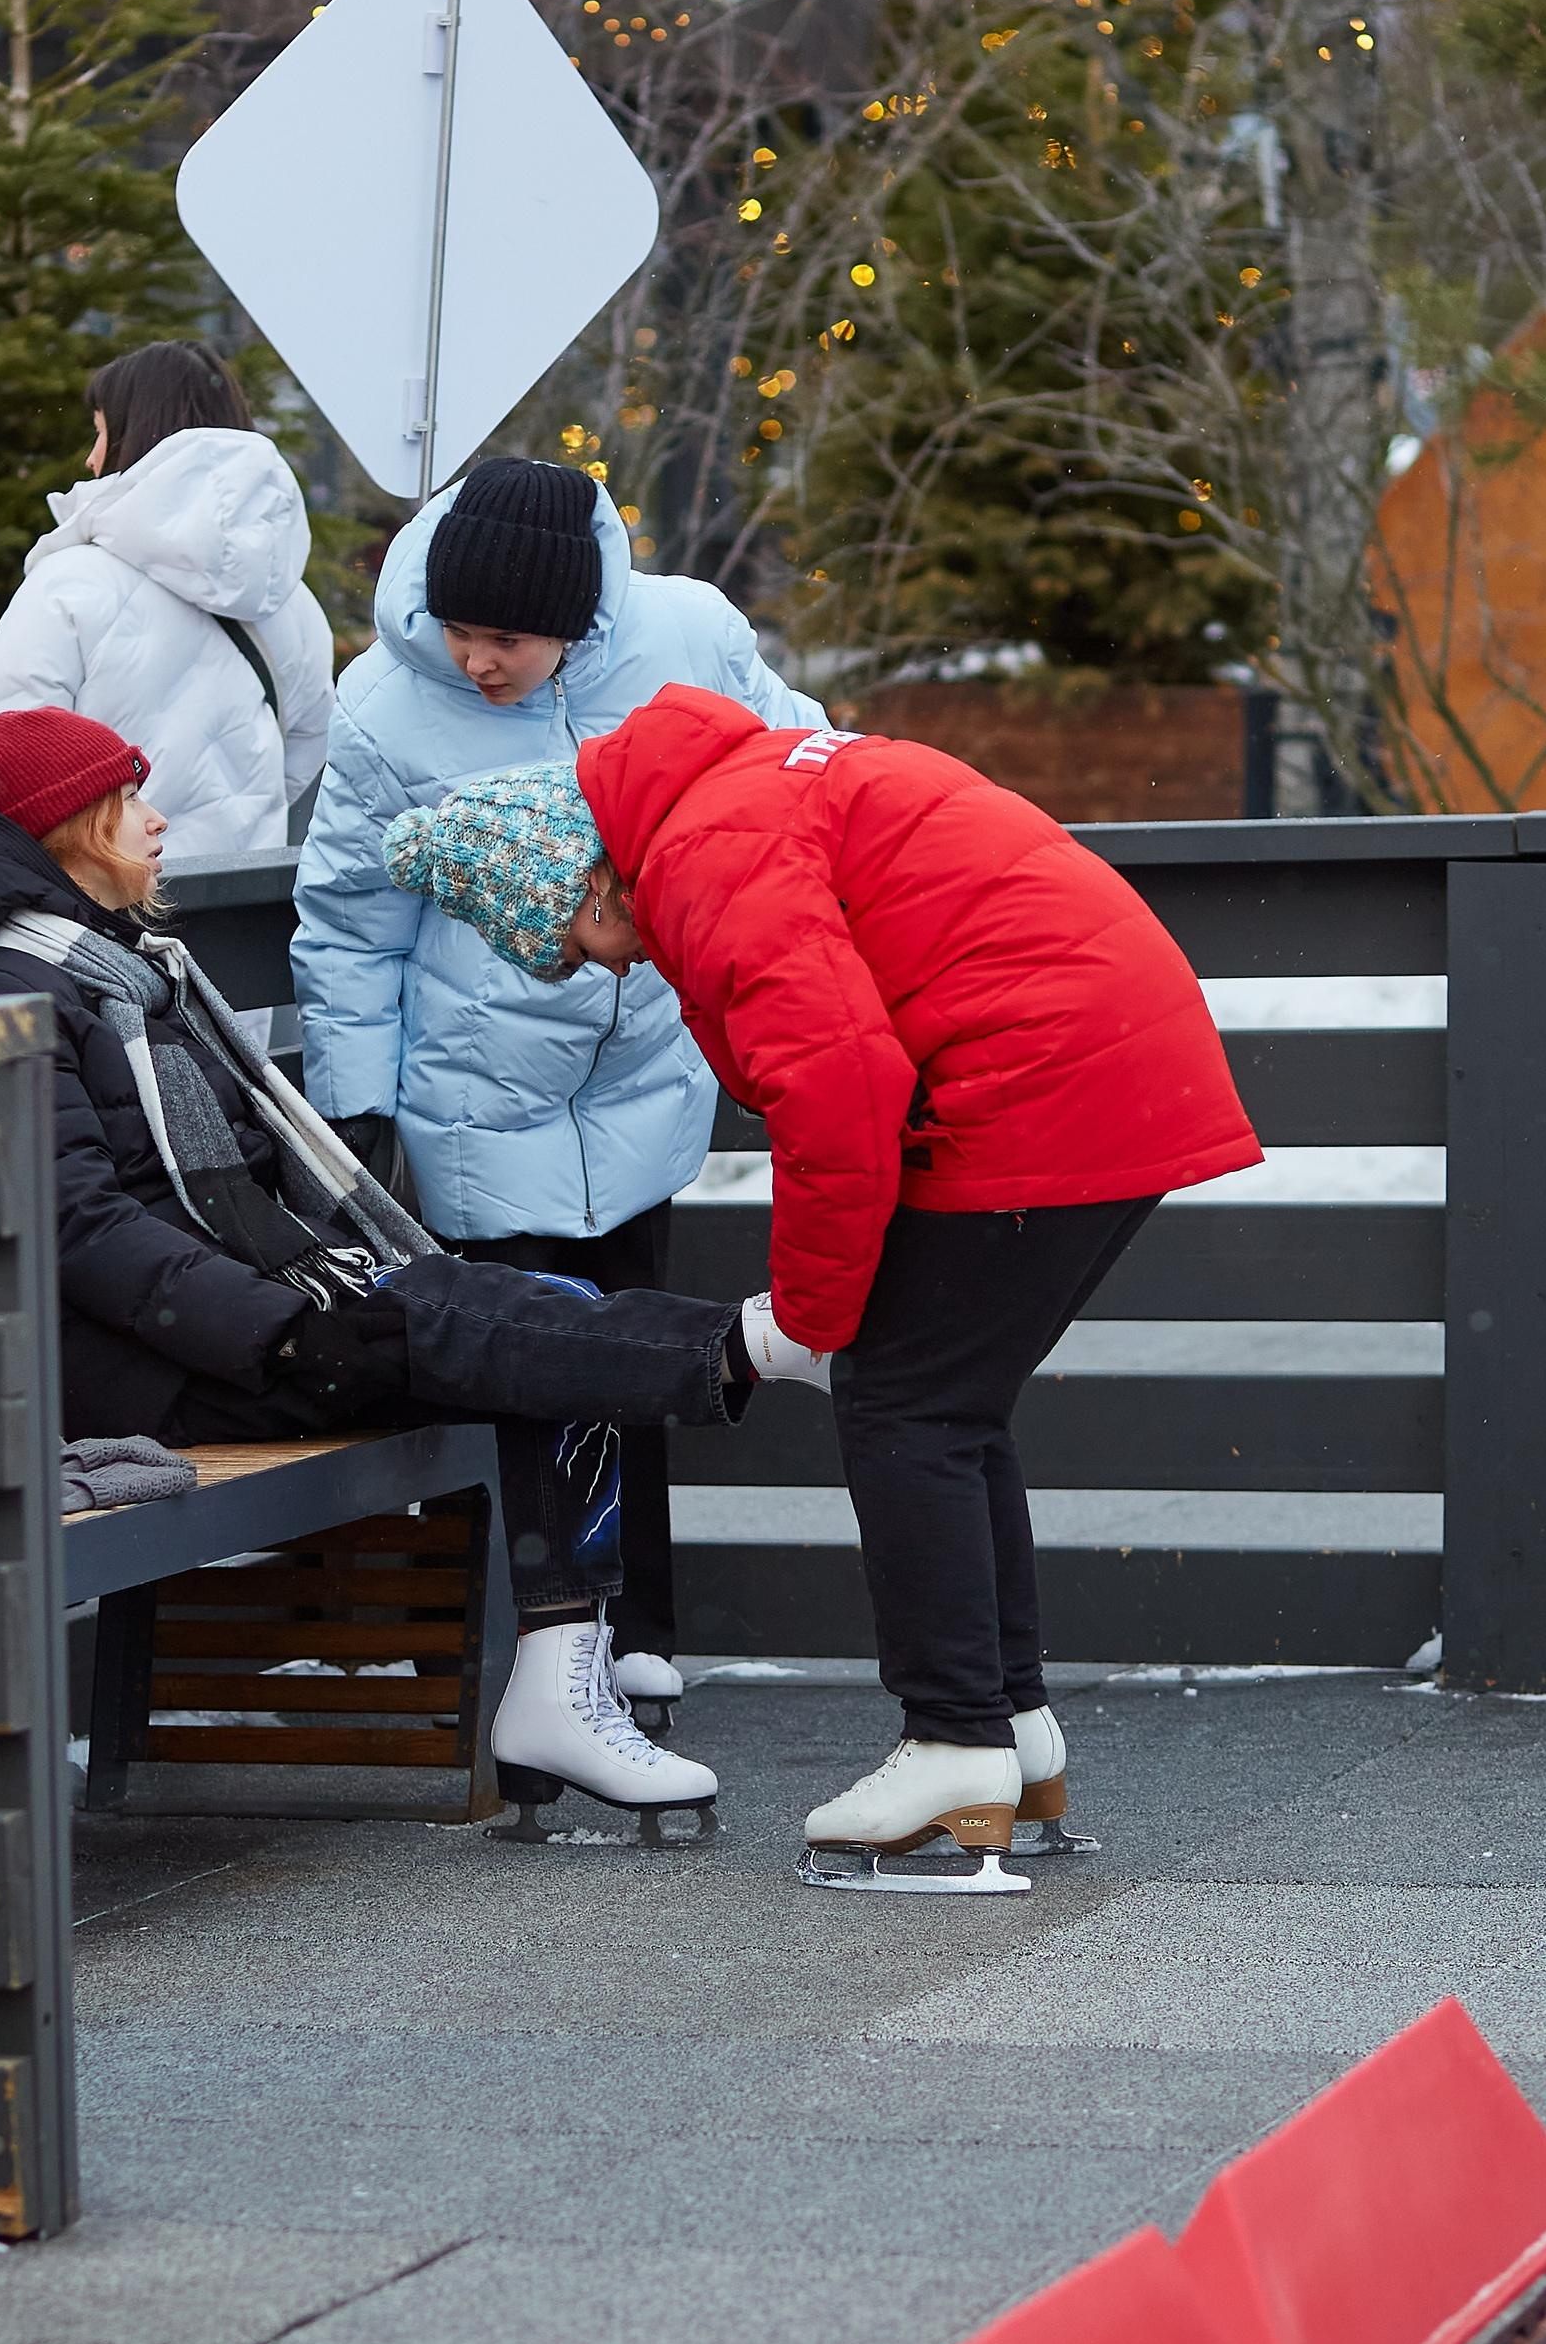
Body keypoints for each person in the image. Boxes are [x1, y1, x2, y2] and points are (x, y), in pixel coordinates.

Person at [382, 696, 1263, 1888]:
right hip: (1101, 1050)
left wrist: (805, 1315)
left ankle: (953, 1744)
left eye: (577, 947)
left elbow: (836, 1093)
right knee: (949, 1407)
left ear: (583, 884)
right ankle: (1010, 1726)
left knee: (904, 1407)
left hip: (1037, 1070)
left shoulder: (700, 860)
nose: (611, 964)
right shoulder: (735, 796)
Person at [0, 703, 766, 1834]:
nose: (156, 819)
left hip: (246, 1316)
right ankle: (756, 1350)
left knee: (538, 1322)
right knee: (515, 1333)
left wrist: (304, 1299)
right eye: (128, 800)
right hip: (167, 1365)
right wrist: (279, 1327)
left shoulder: (130, 975)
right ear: (68, 829)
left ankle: (562, 1674)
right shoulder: (19, 993)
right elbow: (80, 1229)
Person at [291, 456, 822, 1726]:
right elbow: (349, 925)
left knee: (638, 1343)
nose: (478, 661)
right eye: (459, 631)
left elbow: (796, 771)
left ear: (576, 623)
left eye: (509, 639)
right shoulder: (380, 707)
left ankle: (637, 1626)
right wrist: (357, 1111)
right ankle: (515, 1645)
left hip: (643, 1071)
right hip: (476, 1086)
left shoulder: (688, 635)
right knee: (518, 1363)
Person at [0, 338, 332, 875]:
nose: (91, 457)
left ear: (135, 437)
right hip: (233, 900)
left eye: (100, 431)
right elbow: (303, 754)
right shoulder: (294, 605)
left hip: (99, 903)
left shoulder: (71, 585)